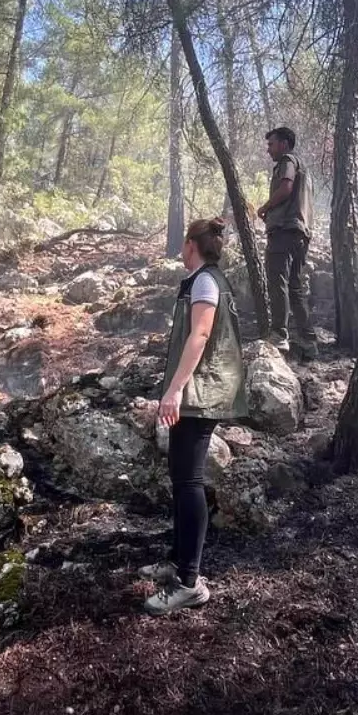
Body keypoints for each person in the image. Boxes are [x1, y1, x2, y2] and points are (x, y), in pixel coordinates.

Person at [146, 216, 248, 616]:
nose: (181, 248)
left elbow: (201, 336)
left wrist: (174, 390)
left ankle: (190, 582)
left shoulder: (206, 281)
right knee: (180, 475)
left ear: (192, 244)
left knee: (188, 481)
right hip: (197, 389)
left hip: (200, 391)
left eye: (184, 242)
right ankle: (176, 560)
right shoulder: (205, 279)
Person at [257, 125, 315, 359]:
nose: (268, 150)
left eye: (271, 144)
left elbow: (286, 187)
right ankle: (309, 342)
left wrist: (266, 207)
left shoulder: (288, 161)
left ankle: (279, 335)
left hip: (284, 230)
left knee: (277, 281)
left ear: (284, 144)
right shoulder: (306, 170)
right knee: (296, 287)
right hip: (301, 233)